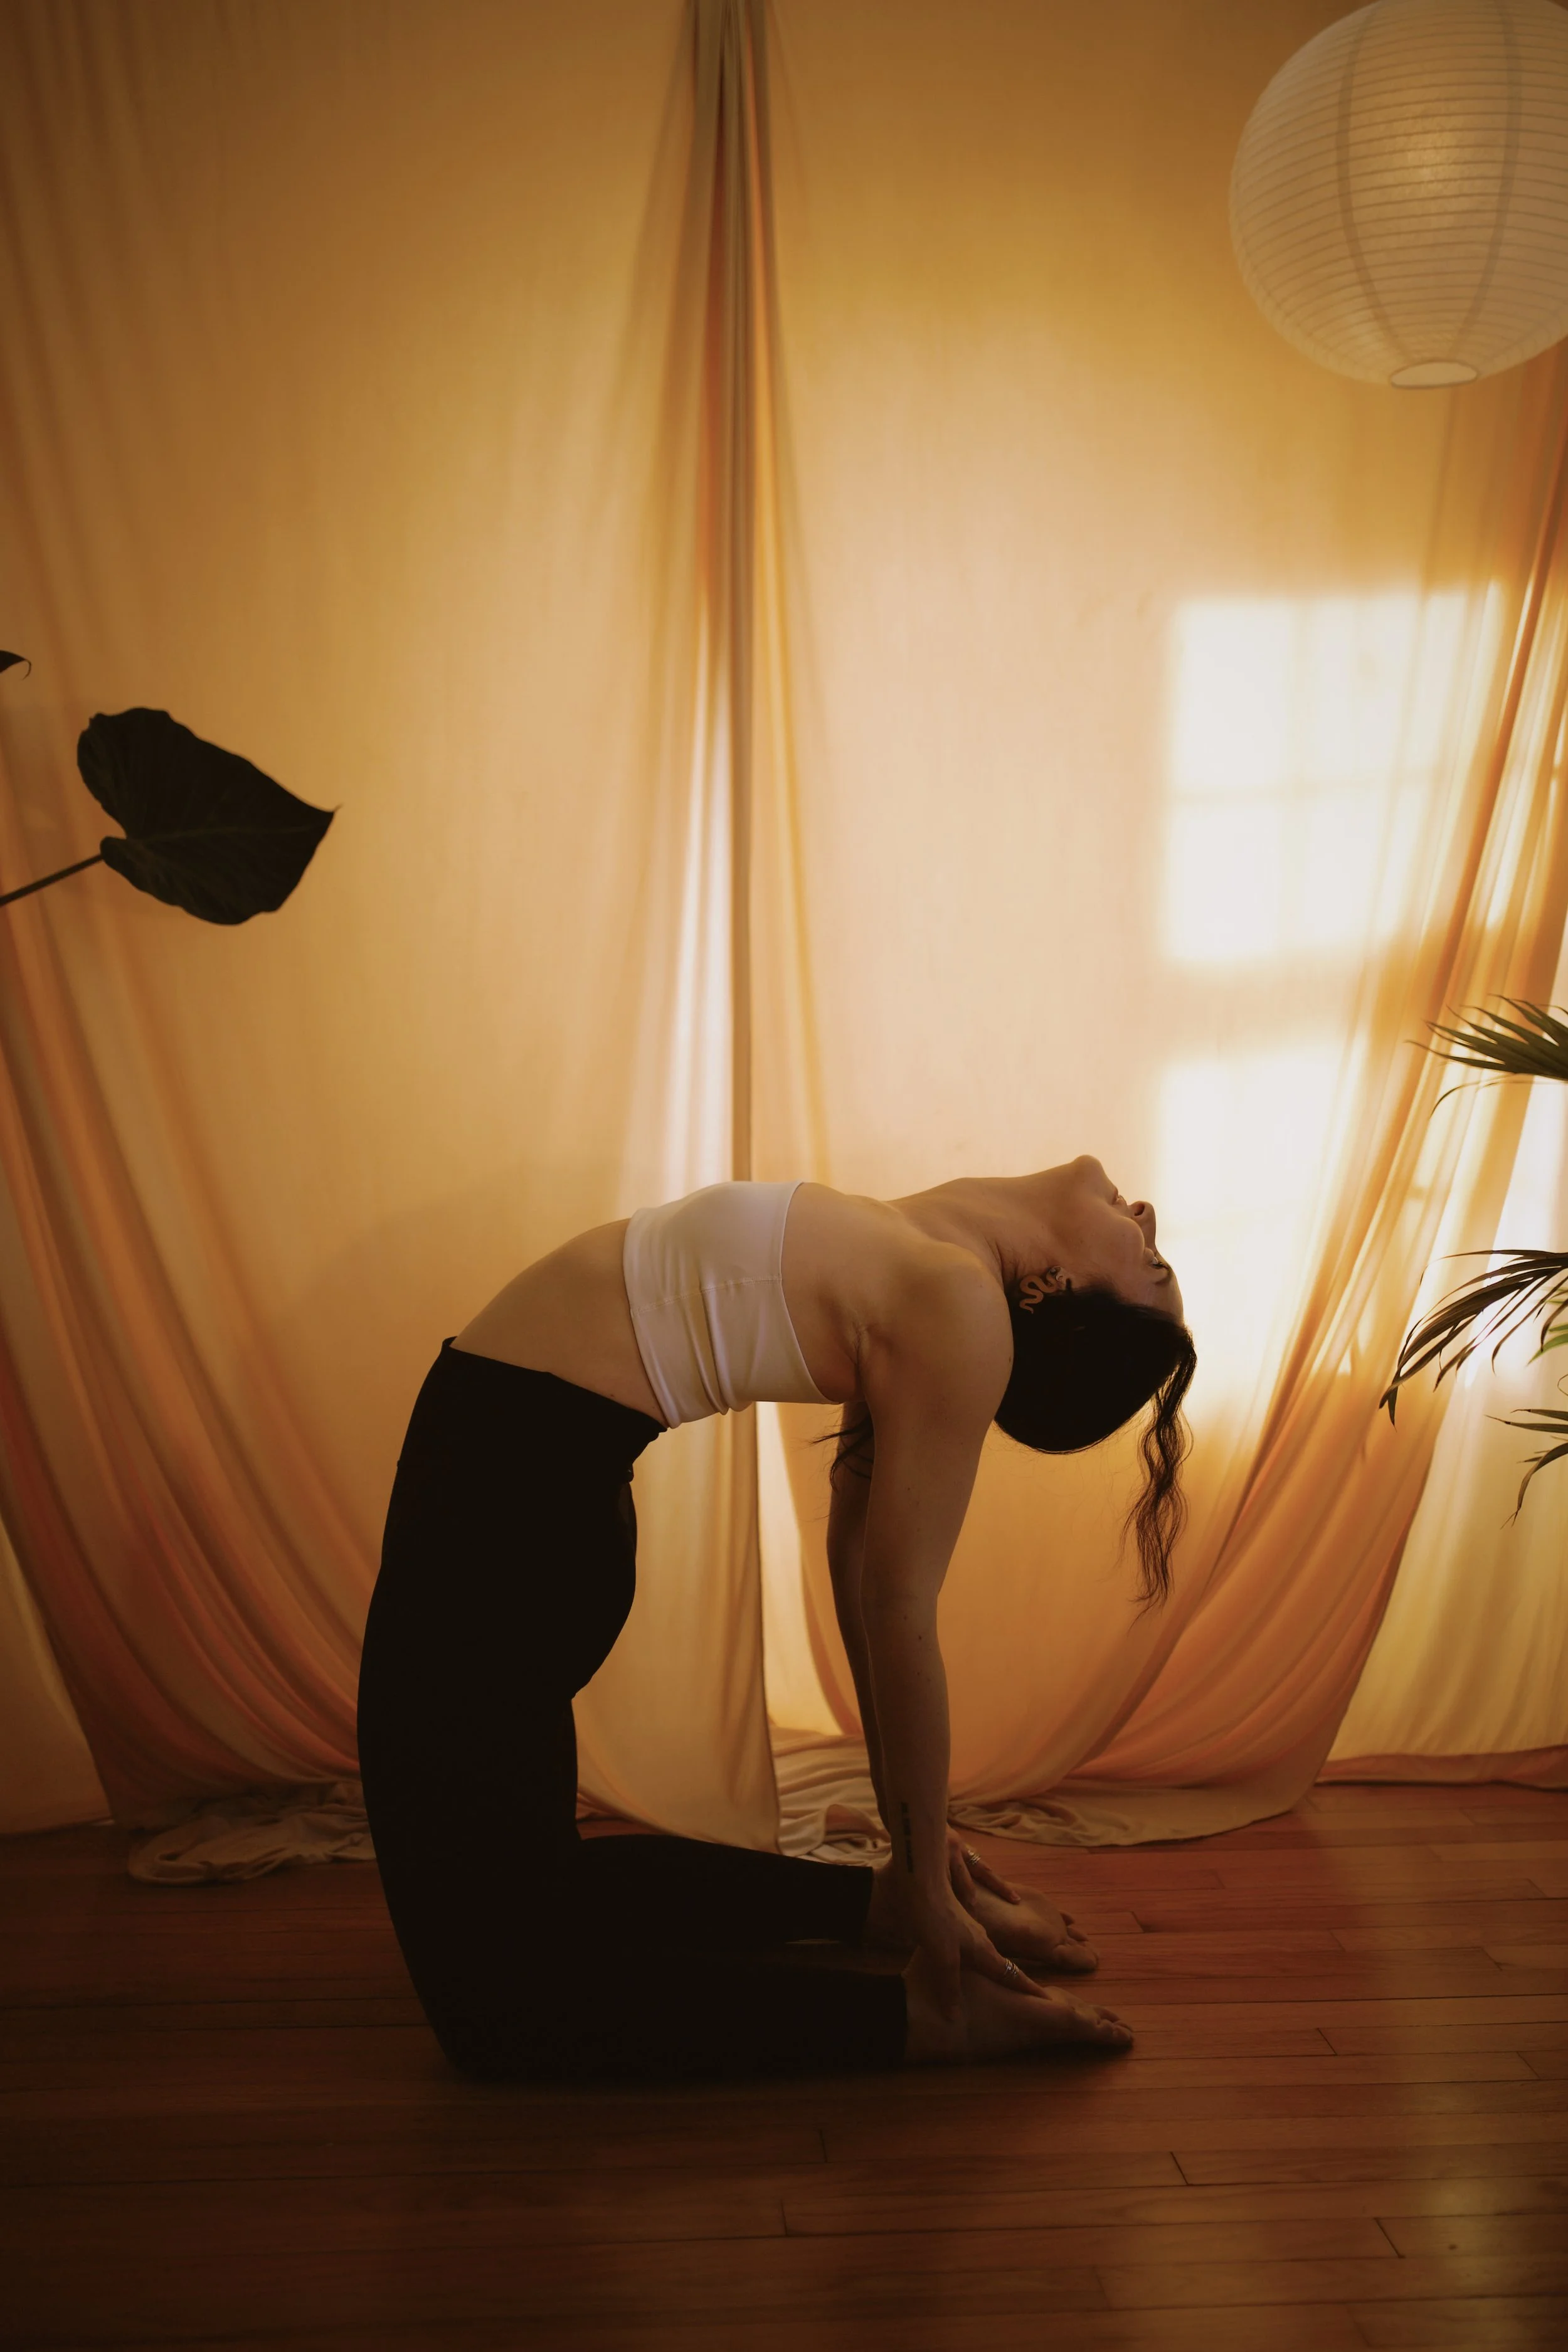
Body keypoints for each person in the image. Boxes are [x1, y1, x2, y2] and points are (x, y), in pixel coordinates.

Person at [356, 1156, 1195, 2080]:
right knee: (541, 1894)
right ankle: (870, 1911)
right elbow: (852, 1562)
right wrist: (916, 1863)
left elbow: (900, 1609)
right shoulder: (930, 1256)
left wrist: (924, 1870)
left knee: (502, 2018)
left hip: (510, 1493)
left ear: (1054, 1289)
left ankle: (921, 2018)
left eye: (1148, 1259)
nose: (1147, 1214)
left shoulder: (957, 1302)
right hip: (523, 1483)